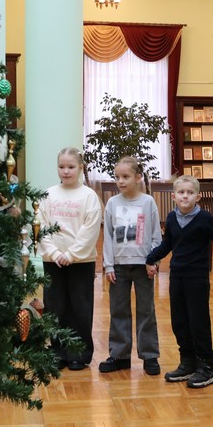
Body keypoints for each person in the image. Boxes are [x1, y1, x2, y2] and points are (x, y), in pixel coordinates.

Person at [145, 175, 213, 388]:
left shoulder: (205, 218)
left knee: (198, 322)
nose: (185, 196)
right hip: (177, 276)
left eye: (190, 192)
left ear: (198, 197)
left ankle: (207, 366)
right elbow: (167, 245)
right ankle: (187, 362)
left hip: (197, 278)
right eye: (181, 192)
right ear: (174, 196)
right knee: (179, 321)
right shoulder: (172, 218)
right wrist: (151, 258)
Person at [37, 147, 102, 371]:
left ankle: (79, 353)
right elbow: (40, 225)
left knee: (80, 307)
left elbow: (90, 230)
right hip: (52, 260)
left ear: (80, 168)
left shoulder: (89, 196)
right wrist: (55, 253)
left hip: (81, 261)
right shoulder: (48, 194)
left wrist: (71, 254)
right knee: (55, 306)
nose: (66, 171)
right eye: (62, 167)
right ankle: (57, 351)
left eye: (71, 167)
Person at [99, 157, 163, 376]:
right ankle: (119, 355)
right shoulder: (112, 203)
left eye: (125, 176)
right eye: (117, 177)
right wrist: (108, 265)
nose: (120, 181)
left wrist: (153, 260)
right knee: (118, 309)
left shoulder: (148, 202)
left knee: (146, 310)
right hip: (118, 266)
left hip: (143, 265)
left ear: (138, 177)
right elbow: (108, 236)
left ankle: (150, 355)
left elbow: (155, 234)